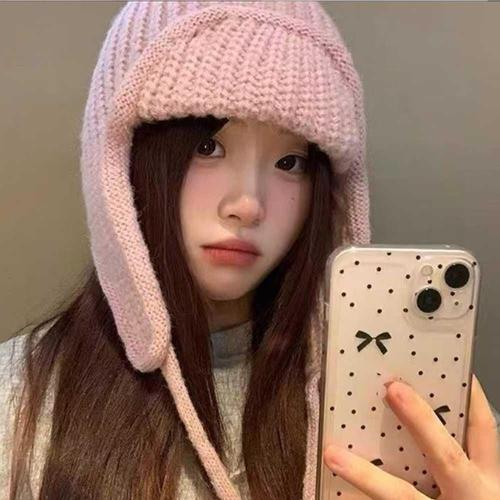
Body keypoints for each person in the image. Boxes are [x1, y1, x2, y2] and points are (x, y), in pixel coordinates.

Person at [1, 2, 499, 499]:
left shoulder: (405, 404)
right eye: (208, 148)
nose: (247, 205)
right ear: (121, 161)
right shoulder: (15, 398)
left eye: (290, 162)